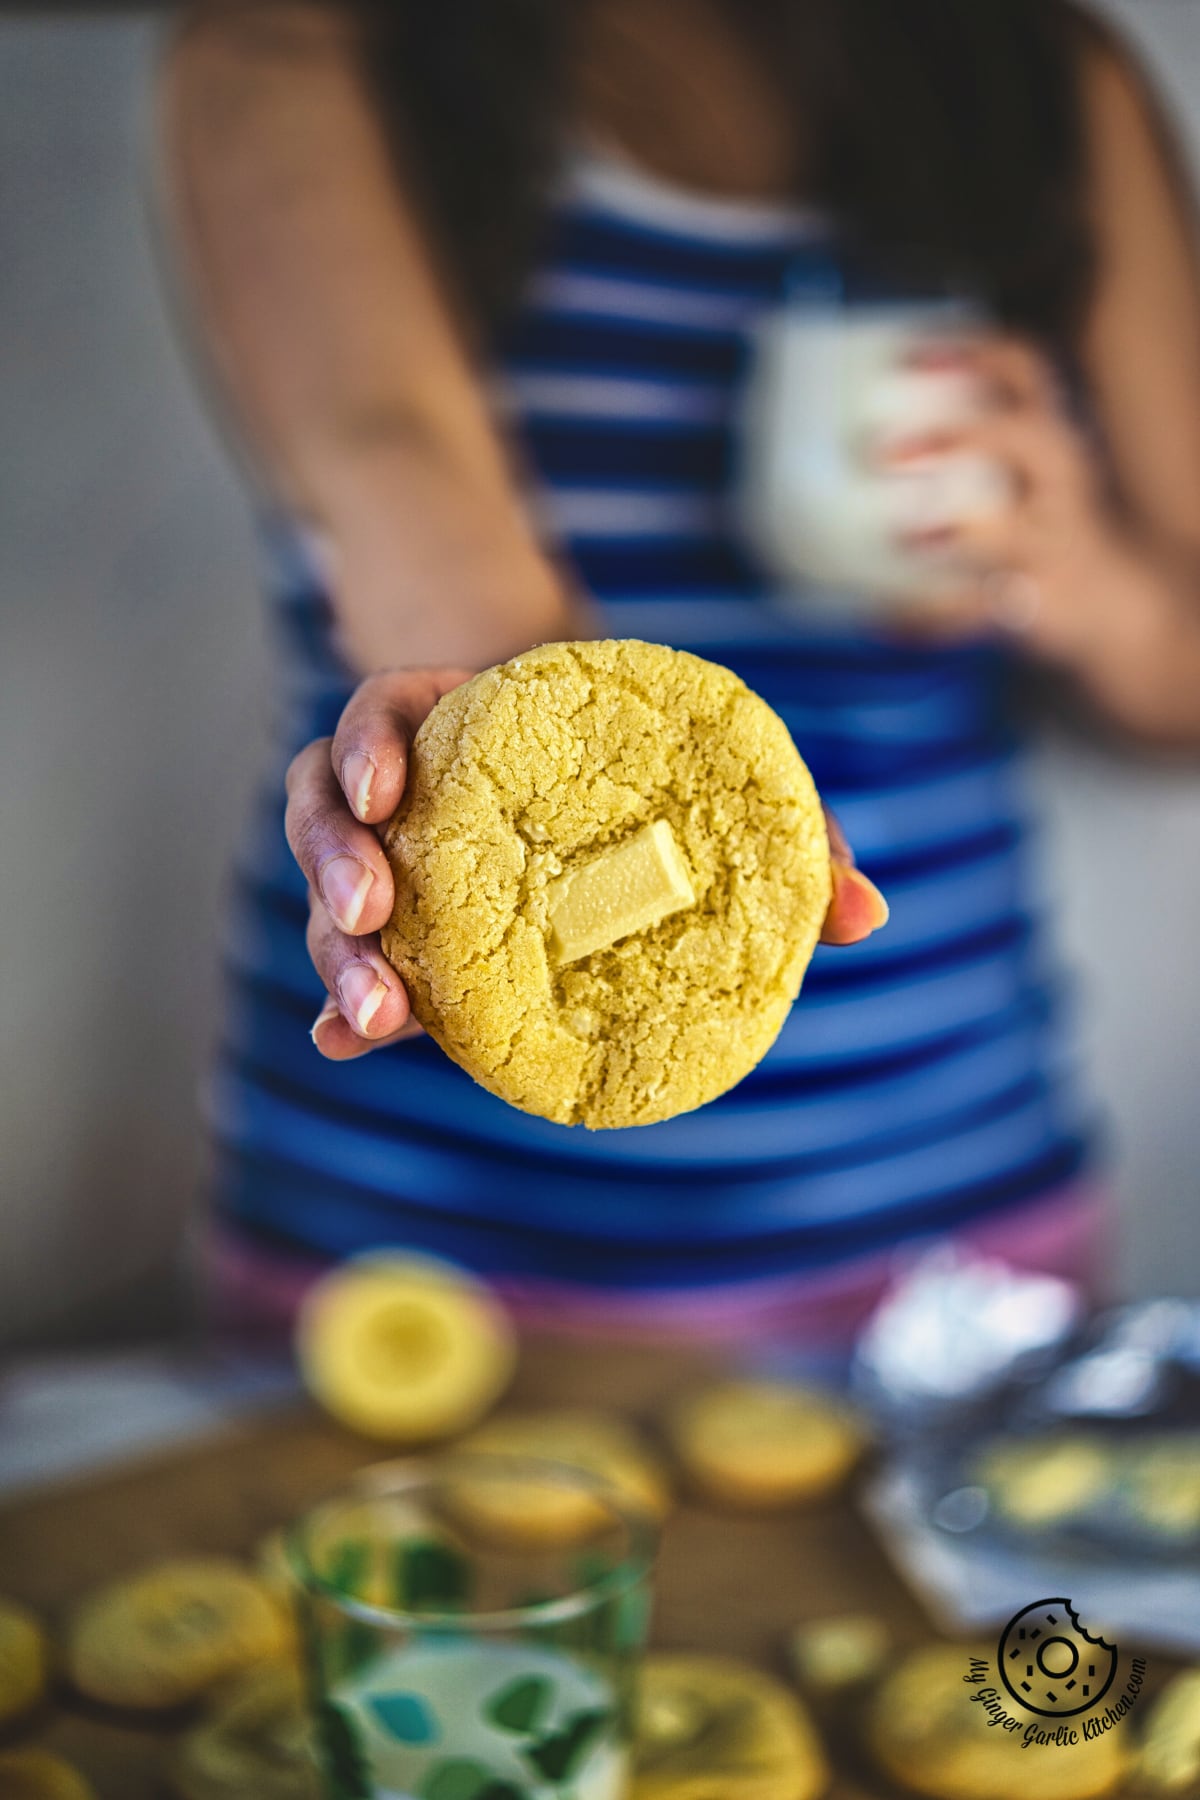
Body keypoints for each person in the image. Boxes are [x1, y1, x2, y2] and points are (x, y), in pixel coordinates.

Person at [160, 0, 1200, 1349]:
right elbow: (404, 484)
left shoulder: (1048, 78)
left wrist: (1082, 574)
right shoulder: (299, 45)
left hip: (940, 1227)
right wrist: (483, 771)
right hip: (422, 1248)